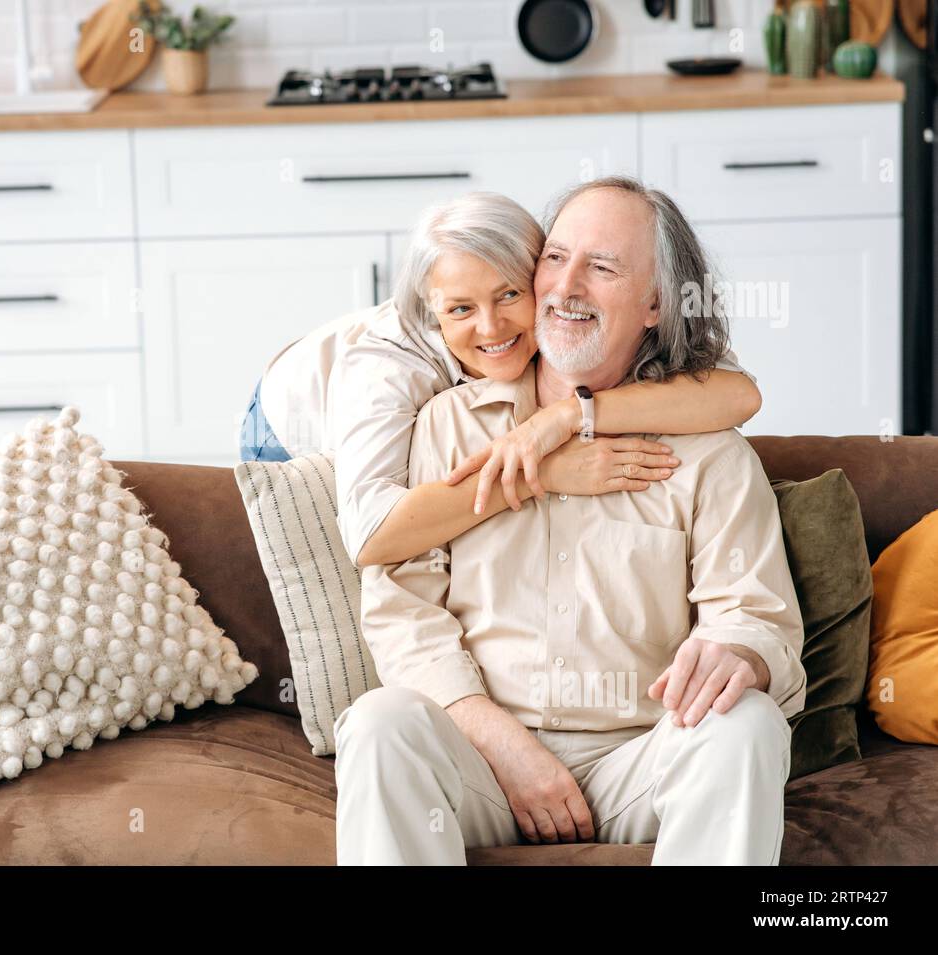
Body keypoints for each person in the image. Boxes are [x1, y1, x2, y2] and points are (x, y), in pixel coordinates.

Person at [333, 175, 807, 866]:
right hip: (478, 763)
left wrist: (739, 652)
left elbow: (758, 614)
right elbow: (402, 612)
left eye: (602, 266)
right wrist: (498, 739)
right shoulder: (443, 422)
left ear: (655, 304)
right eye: (555, 258)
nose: (565, 286)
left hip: (639, 759)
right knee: (380, 723)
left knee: (747, 725)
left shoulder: (709, 448)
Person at [239, 190, 763, 570]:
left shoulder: (563, 306)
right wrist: (546, 472)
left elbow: (738, 393)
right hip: (290, 432)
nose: (491, 327)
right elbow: (373, 533)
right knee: (359, 579)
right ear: (431, 308)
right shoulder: (387, 366)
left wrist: (568, 417)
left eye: (510, 293)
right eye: (461, 308)